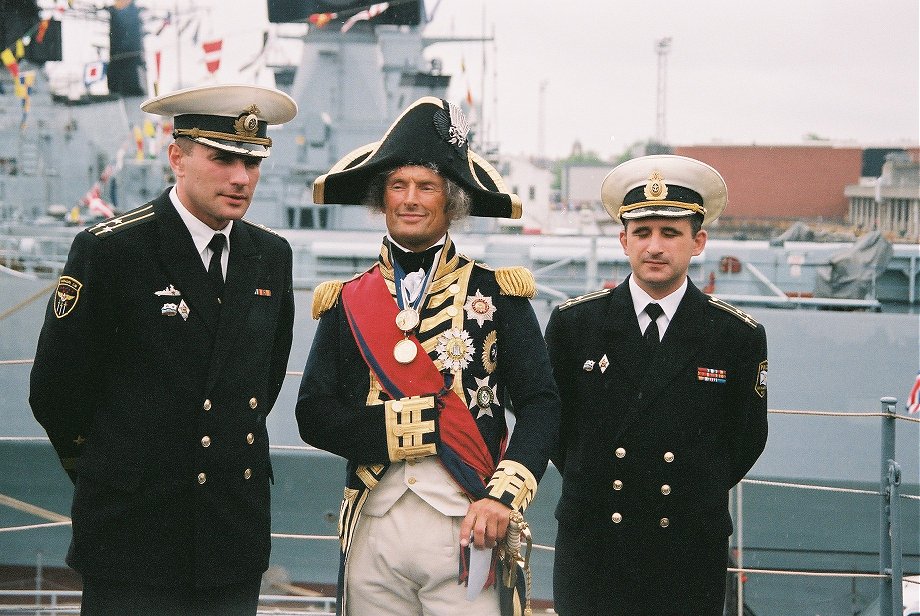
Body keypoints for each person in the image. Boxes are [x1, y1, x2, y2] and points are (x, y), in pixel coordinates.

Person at [29, 84, 297, 615]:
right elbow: (55, 393)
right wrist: (119, 472)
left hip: (231, 537)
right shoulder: (112, 251)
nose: (241, 178)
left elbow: (260, 385)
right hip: (132, 540)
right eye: (222, 158)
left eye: (252, 161)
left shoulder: (269, 256)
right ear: (177, 156)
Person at [296, 96, 560, 616]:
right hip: (374, 526)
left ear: (451, 200)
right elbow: (313, 414)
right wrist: (400, 429)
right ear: (383, 198)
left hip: (468, 521)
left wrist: (502, 499)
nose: (411, 199)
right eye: (399, 186)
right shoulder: (348, 300)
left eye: (426, 187)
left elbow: (541, 404)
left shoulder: (498, 293)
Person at [545, 155, 769, 615]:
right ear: (623, 239)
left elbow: (746, 437)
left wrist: (692, 490)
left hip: (686, 546)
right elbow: (555, 427)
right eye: (643, 232)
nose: (655, 247)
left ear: (698, 242)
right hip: (595, 542)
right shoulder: (574, 326)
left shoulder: (735, 337)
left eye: (671, 233)